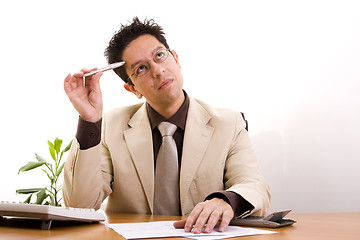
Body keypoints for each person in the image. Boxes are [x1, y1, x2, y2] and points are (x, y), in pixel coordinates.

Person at [62, 17, 270, 234]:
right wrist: (89, 120)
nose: (157, 71)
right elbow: (80, 206)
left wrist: (225, 201)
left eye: (159, 56)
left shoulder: (228, 123)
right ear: (132, 89)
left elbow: (254, 186)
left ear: (176, 59)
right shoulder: (110, 126)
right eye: (141, 68)